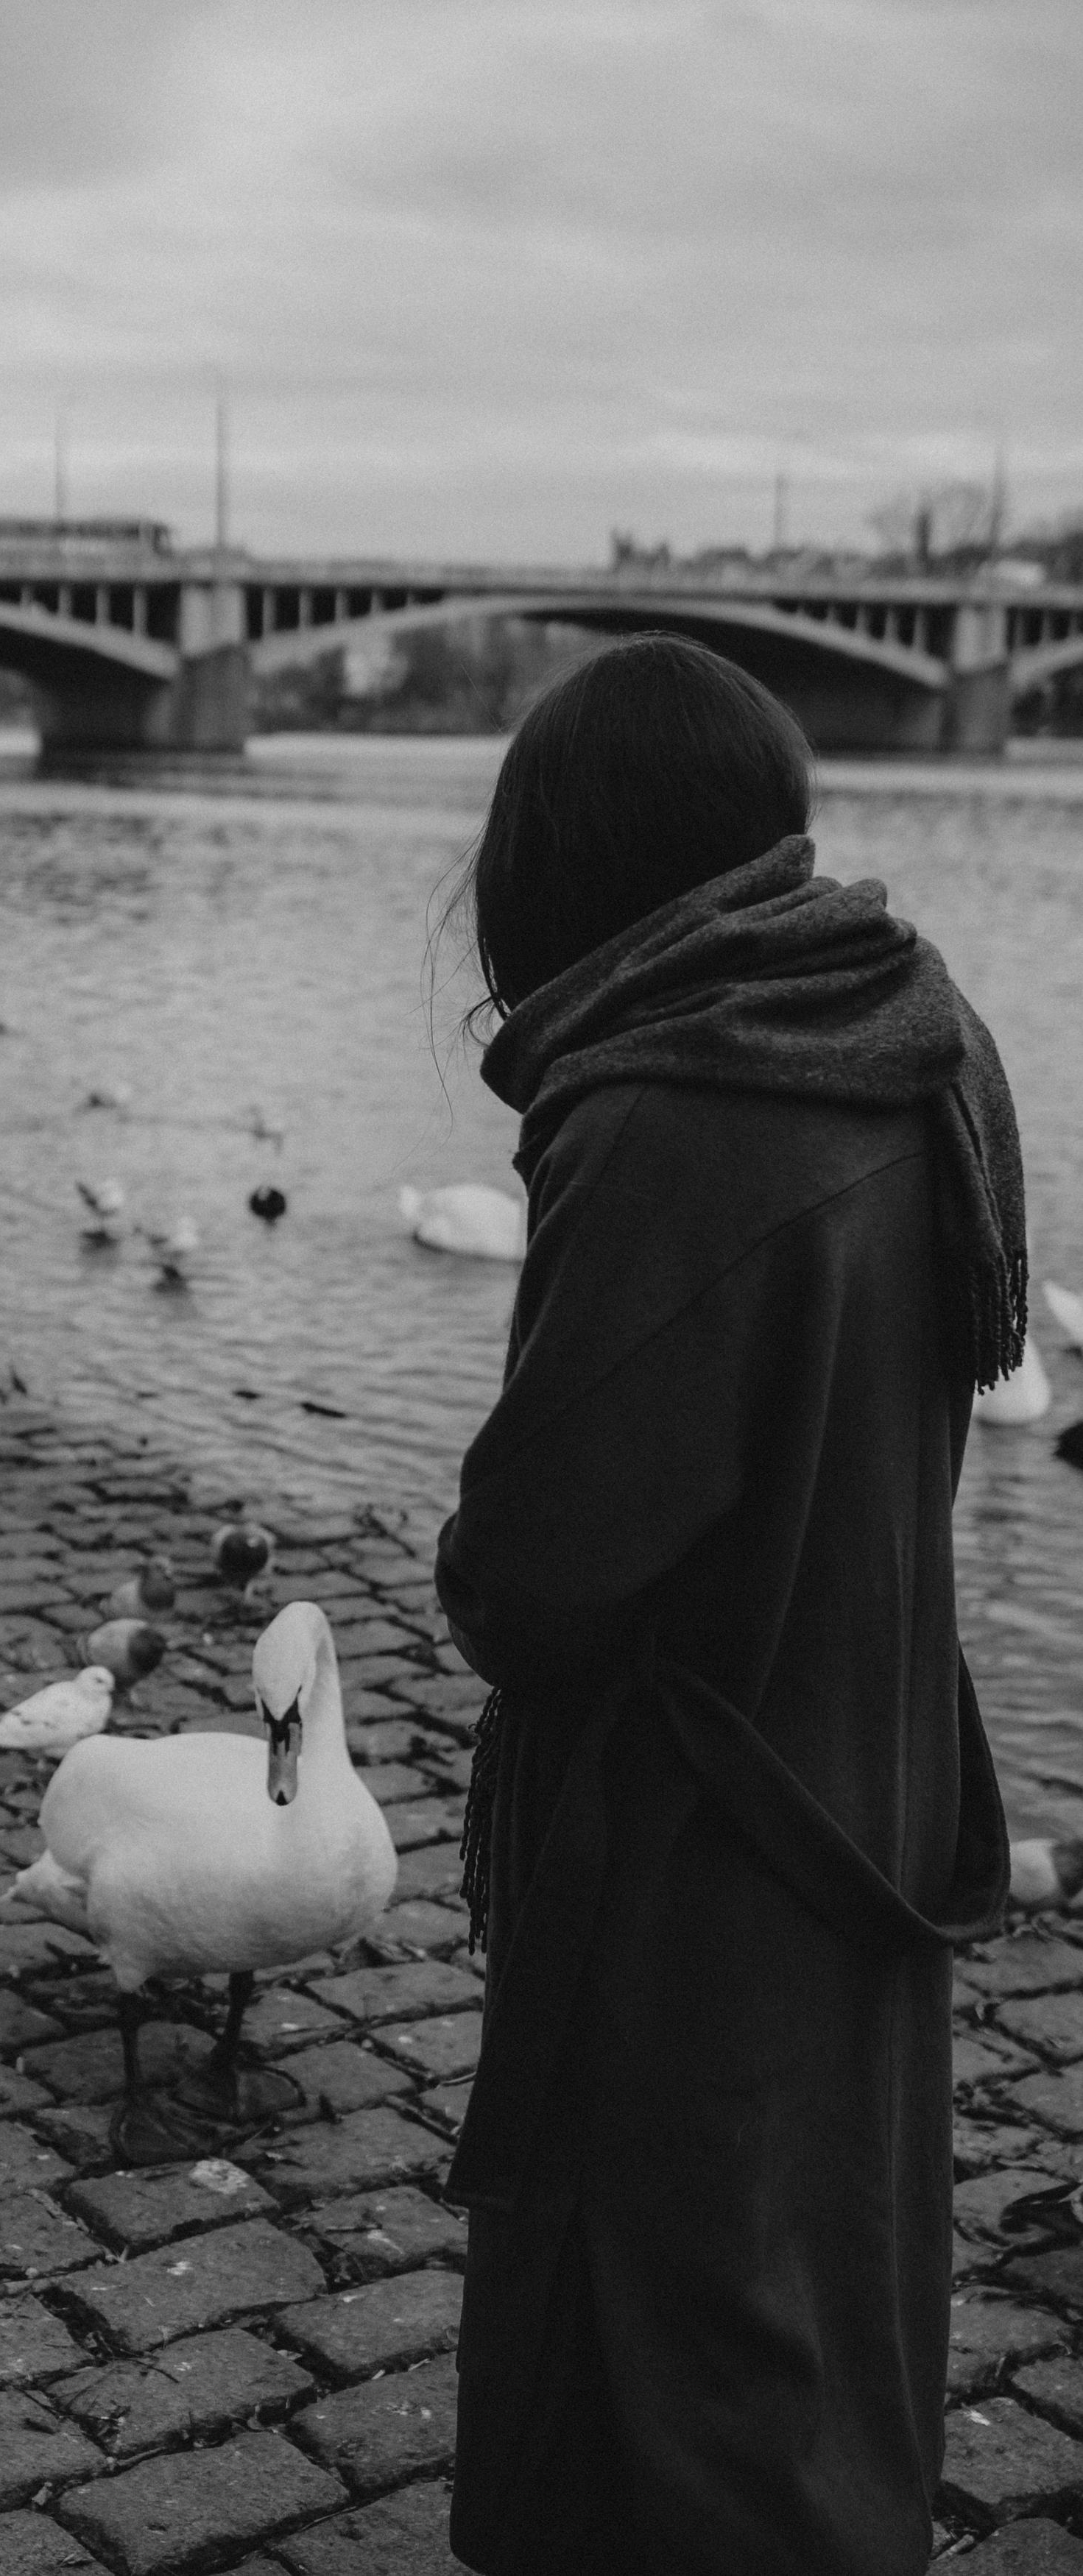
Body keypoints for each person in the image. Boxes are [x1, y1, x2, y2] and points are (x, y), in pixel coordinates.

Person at [435, 635, 1016, 2575]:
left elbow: (539, 1576)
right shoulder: (928, 1035)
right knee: (833, 2278)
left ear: (573, 861)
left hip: (693, 1853)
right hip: (872, 1765)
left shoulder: (670, 1103)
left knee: (677, 2343)